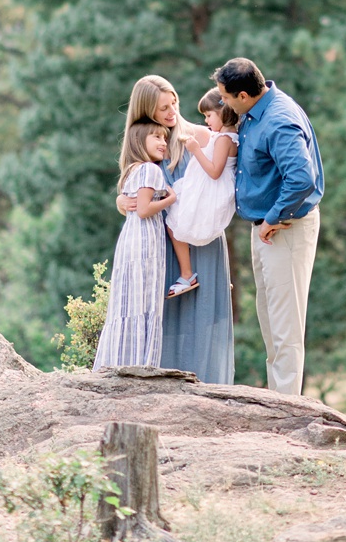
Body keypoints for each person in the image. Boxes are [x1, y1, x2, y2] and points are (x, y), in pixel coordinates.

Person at [214, 57, 323, 397]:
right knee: (270, 319)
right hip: (266, 229)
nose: (223, 104)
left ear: (244, 94)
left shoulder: (278, 120)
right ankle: (277, 398)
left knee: (285, 324)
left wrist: (274, 217)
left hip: (285, 228)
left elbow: (302, 179)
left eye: (226, 97)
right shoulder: (256, 109)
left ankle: (289, 407)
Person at [116, 75, 235, 384]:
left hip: (203, 240)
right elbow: (131, 187)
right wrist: (121, 201)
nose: (170, 114)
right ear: (145, 113)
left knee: (206, 318)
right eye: (161, 109)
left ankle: (211, 391)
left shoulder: (202, 136)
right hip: (162, 243)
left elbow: (224, 179)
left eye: (173, 104)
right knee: (167, 320)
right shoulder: (145, 143)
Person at [93, 121, 176, 369]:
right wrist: (170, 198)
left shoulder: (132, 170)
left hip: (130, 238)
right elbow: (144, 210)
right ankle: (140, 365)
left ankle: (117, 361)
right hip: (145, 240)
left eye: (164, 138)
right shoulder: (151, 170)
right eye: (156, 138)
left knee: (128, 301)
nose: (163, 143)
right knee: (144, 301)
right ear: (140, 142)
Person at [167, 88, 239, 253]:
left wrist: (195, 149)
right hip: (209, 184)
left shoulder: (224, 139)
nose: (206, 121)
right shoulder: (226, 136)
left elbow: (214, 172)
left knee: (178, 217)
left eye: (208, 115)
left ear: (222, 112)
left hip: (211, 188)